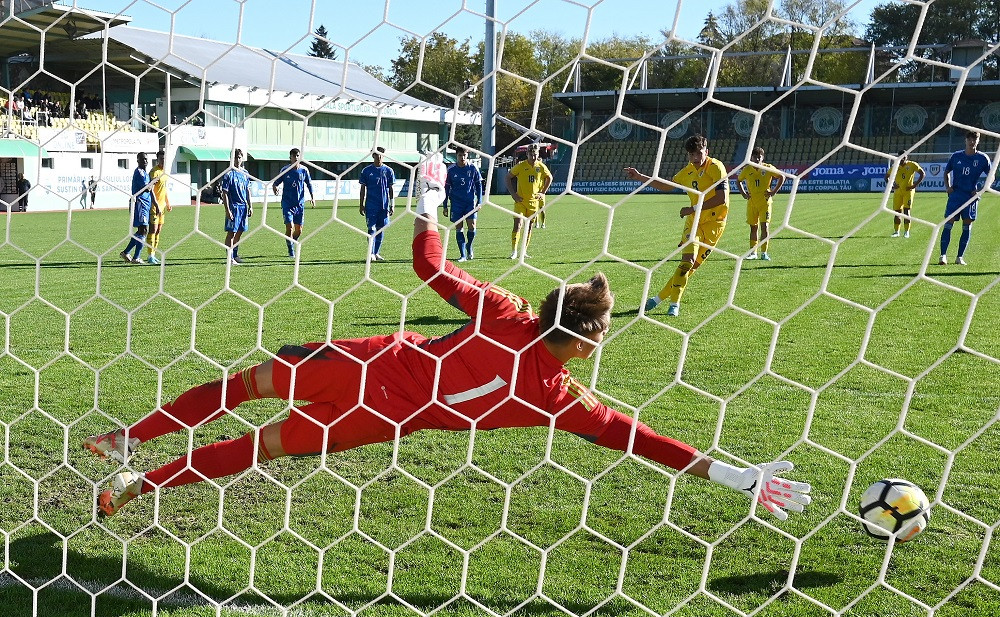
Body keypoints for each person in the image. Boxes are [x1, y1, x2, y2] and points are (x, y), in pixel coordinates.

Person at [85, 180, 811, 523]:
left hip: (365, 361)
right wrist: (732, 475)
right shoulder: (559, 399)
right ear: (587, 342)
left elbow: (432, 268)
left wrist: (428, 206)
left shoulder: (505, 312)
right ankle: (137, 485)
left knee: (248, 386)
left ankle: (131, 437)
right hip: (375, 417)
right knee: (259, 446)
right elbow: (636, 438)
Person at [624, 134, 729, 317]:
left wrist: (693, 208)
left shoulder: (716, 167)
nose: (695, 158)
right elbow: (667, 186)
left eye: (698, 153)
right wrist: (641, 177)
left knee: (691, 268)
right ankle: (675, 304)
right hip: (694, 223)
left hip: (715, 225)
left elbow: (722, 198)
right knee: (686, 262)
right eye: (691, 154)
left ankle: (657, 299)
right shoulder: (687, 171)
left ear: (706, 151)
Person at [940, 130, 992, 266]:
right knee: (948, 224)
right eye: (969, 139)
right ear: (965, 140)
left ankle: (959, 257)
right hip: (956, 195)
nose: (972, 141)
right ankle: (943, 256)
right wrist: (948, 187)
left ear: (978, 141)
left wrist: (980, 191)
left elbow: (991, 176)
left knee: (967, 226)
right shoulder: (956, 156)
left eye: (974, 139)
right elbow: (946, 172)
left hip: (970, 197)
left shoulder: (983, 158)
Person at [737, 147, 786, 260]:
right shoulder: (747, 169)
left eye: (760, 156)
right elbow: (738, 181)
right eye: (755, 157)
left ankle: (764, 253)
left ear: (763, 157)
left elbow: (782, 177)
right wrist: (744, 194)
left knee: (765, 227)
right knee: (753, 228)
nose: (757, 159)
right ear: (751, 158)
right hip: (752, 203)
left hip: (765, 203)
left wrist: (773, 191)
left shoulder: (768, 168)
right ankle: (753, 253)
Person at [505, 143, 552, 260]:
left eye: (535, 154)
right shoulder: (521, 166)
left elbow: (549, 178)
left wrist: (542, 192)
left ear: (538, 154)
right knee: (518, 225)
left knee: (529, 227)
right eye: (531, 154)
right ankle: (514, 251)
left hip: (534, 202)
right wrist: (513, 194)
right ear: (527, 154)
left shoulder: (541, 167)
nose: (533, 156)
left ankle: (524, 251)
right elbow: (508, 177)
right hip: (520, 201)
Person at [272, 147, 315, 258]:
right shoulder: (285, 170)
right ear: (290, 157)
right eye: (293, 156)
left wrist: (313, 197)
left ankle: (291, 241)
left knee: (299, 230)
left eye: (297, 156)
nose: (296, 158)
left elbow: (309, 184)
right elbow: (276, 182)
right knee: (289, 227)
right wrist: (275, 187)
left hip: (299, 205)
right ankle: (291, 251)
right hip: (287, 204)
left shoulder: (304, 170)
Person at [443, 146, 483, 262]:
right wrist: (445, 205)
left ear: (467, 156)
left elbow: (479, 185)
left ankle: (469, 246)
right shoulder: (451, 170)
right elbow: (446, 188)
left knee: (472, 226)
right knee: (459, 228)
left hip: (470, 202)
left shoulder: (473, 168)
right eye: (460, 155)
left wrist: (479, 201)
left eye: (464, 155)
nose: (462, 157)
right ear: (456, 156)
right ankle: (463, 255)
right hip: (456, 203)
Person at [119, 152, 160, 264]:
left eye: (146, 159)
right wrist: (153, 181)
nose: (145, 161)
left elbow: (149, 190)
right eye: (142, 159)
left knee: (141, 230)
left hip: (145, 204)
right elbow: (146, 188)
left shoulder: (145, 173)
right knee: (144, 230)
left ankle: (126, 252)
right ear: (138, 160)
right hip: (140, 203)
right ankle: (136, 257)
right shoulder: (140, 172)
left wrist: (155, 204)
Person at [359, 147, 395, 262]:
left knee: (380, 229)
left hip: (383, 205)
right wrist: (361, 204)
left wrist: (392, 204)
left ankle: (376, 253)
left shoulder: (389, 171)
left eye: (381, 154)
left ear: (384, 155)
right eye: (377, 154)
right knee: (371, 229)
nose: (379, 156)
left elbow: (391, 189)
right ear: (373, 156)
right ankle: (370, 253)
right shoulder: (366, 171)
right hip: (371, 205)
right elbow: (362, 188)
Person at [219, 149, 253, 265]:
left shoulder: (245, 173)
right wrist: (227, 210)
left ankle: (235, 254)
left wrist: (250, 206)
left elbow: (248, 190)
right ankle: (229, 257)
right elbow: (225, 193)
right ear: (231, 159)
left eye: (239, 157)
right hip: (234, 207)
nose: (237, 160)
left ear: (242, 158)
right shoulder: (228, 174)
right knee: (231, 233)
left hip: (243, 207)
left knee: (240, 231)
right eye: (235, 157)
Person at [145, 150, 172, 264]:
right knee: (153, 230)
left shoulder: (164, 172)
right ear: (157, 160)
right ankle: (150, 255)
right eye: (161, 159)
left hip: (162, 206)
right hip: (154, 206)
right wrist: (156, 205)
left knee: (158, 231)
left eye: (164, 159)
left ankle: (154, 254)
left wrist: (168, 202)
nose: (163, 161)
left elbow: (164, 190)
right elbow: (150, 190)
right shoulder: (154, 172)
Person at [889, 152, 924, 238]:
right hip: (897, 192)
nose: (902, 159)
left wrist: (914, 185)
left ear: (906, 157)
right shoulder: (895, 166)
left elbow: (922, 173)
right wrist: (892, 185)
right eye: (901, 157)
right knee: (897, 212)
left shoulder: (912, 165)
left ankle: (906, 232)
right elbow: (886, 177)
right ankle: (896, 231)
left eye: (904, 157)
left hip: (908, 191)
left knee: (906, 211)